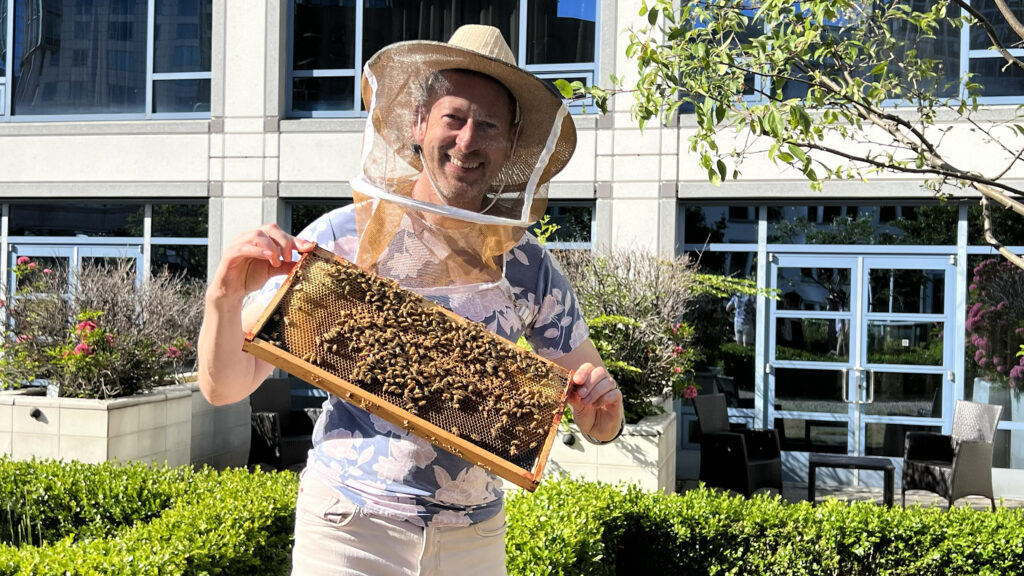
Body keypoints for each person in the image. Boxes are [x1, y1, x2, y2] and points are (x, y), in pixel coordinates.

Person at [197, 25, 624, 576]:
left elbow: (600, 415)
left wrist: (603, 412)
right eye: (454, 117)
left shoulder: (529, 267)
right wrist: (225, 295)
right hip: (349, 527)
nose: (468, 140)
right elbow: (224, 386)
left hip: (473, 538)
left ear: (511, 144)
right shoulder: (339, 239)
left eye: (488, 124)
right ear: (420, 124)